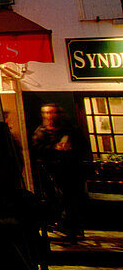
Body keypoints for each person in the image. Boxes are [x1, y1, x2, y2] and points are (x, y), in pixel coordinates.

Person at [32, 103, 89, 241]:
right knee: (55, 200)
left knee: (73, 199)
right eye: (46, 113)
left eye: (51, 113)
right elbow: (36, 151)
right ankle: (61, 225)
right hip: (51, 172)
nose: (48, 116)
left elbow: (83, 147)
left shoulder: (71, 130)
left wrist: (71, 150)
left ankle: (74, 228)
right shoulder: (41, 132)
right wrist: (54, 148)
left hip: (72, 171)